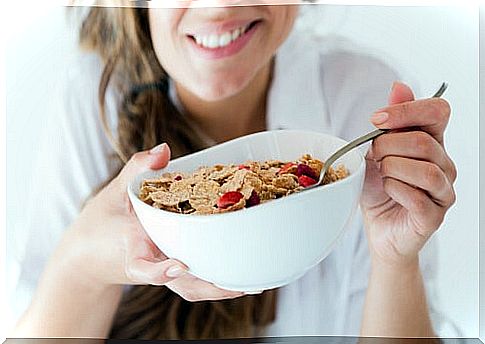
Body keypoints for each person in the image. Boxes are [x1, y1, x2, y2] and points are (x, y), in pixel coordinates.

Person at [10, 2, 458, 340]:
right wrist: (84, 265)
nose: (220, 6)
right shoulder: (97, 101)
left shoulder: (360, 103)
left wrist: (395, 259)